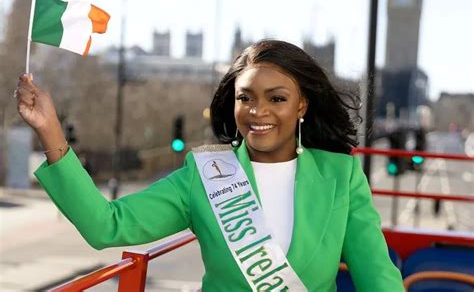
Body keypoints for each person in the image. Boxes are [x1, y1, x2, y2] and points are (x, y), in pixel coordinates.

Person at [15, 40, 404, 291]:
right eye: (245, 97)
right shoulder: (204, 176)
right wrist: (50, 132)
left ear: (301, 105)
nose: (258, 111)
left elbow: (377, 278)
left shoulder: (340, 176)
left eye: (277, 98)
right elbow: (107, 224)